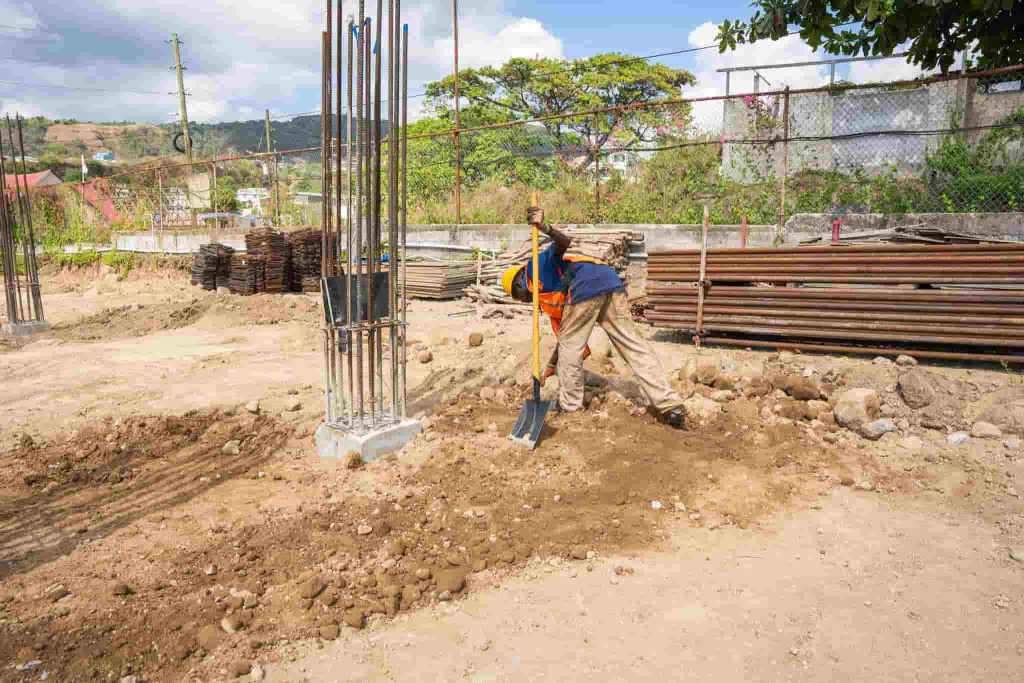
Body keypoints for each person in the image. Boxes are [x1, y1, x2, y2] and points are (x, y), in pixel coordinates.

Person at [501, 205, 686, 428]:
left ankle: (570, 405)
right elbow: (565, 340)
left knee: (573, 352)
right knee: (633, 345)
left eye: (519, 295)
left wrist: (545, 227)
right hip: (609, 281)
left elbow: (563, 243)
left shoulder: (535, 267)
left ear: (520, 282)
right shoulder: (549, 302)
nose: (524, 300)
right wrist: (549, 368)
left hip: (584, 286)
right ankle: (669, 404)